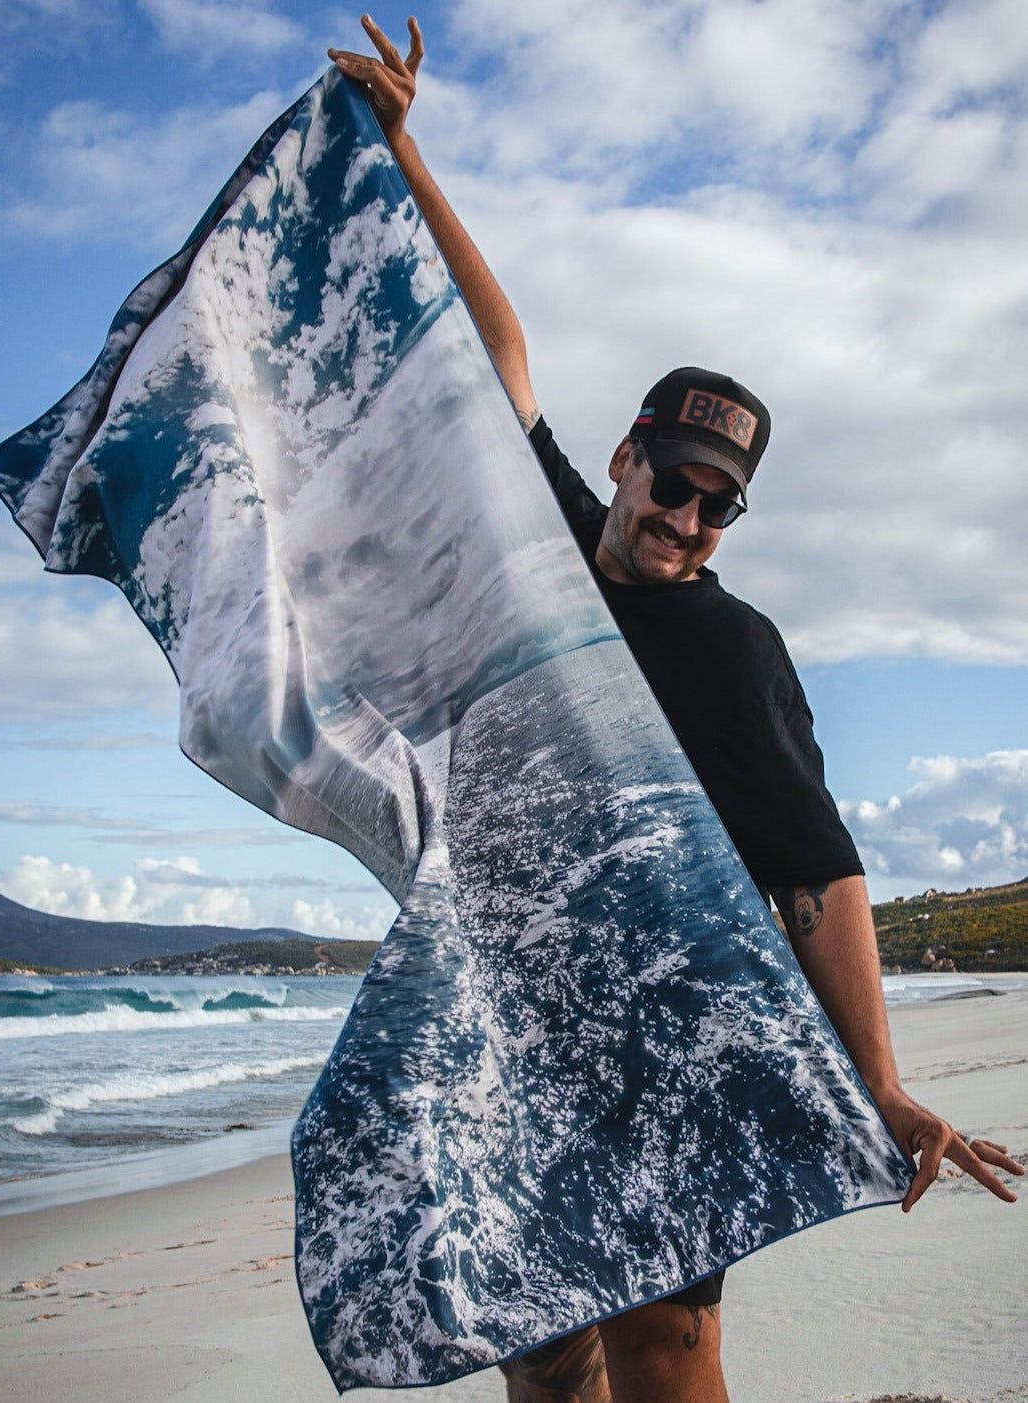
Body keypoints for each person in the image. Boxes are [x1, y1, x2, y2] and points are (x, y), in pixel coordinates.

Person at [328, 17, 1024, 1403]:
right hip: (515, 1029)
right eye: (674, 482)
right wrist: (404, 150)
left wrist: (878, 1084)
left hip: (664, 1044)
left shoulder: (730, 648)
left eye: (720, 503)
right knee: (541, 1349)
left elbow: (820, 868)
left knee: (664, 1343)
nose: (691, 519)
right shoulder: (545, 546)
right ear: (624, 458)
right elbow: (493, 344)